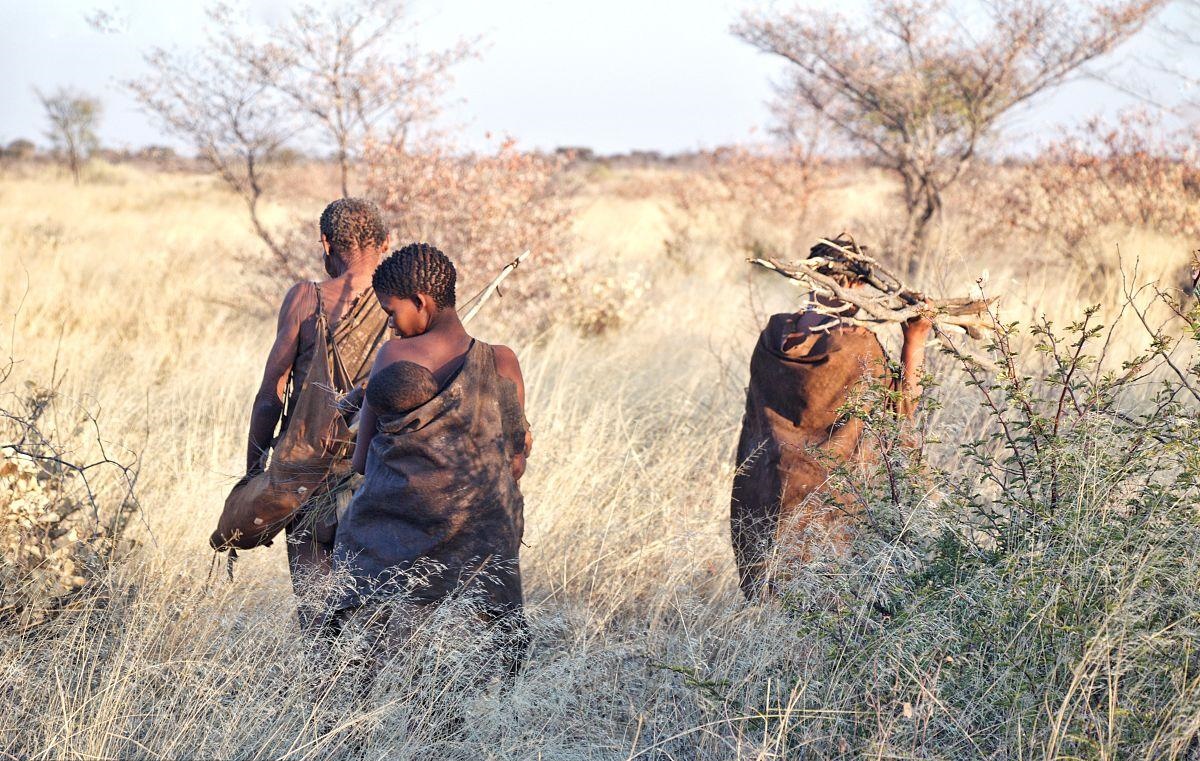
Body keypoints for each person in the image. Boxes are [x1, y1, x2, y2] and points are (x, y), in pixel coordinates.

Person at [329, 242, 532, 675]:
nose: (391, 325)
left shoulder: (391, 357)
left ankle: (352, 684)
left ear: (421, 302)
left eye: (391, 312)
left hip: (404, 529)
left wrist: (363, 402)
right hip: (485, 535)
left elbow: (363, 461)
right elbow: (516, 460)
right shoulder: (503, 361)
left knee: (348, 549)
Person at [730, 238, 932, 599]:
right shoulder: (857, 346)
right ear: (854, 286)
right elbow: (900, 410)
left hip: (765, 489)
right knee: (824, 609)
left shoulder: (772, 339)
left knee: (771, 601)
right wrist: (914, 340)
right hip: (829, 500)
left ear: (808, 278)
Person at [245, 198, 390, 627]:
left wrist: (255, 473)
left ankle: (321, 693)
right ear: (385, 243)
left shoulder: (306, 299)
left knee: (318, 616)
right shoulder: (406, 303)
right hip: (381, 474)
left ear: (325, 243)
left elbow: (270, 395)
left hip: (308, 474)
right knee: (375, 616)